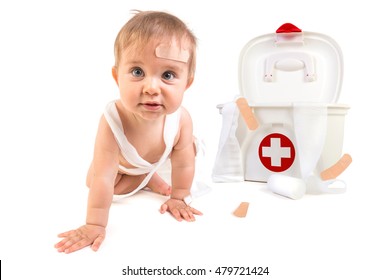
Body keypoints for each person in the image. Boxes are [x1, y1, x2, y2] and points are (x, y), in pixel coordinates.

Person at [55, 10, 202, 254]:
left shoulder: (181, 120)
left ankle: (148, 175)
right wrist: (94, 224)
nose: (151, 88)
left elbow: (184, 164)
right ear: (117, 77)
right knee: (105, 186)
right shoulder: (113, 121)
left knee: (191, 150)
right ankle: (147, 177)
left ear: (187, 83)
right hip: (117, 168)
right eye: (137, 72)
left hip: (148, 162)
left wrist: (179, 196)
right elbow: (103, 177)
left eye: (168, 75)